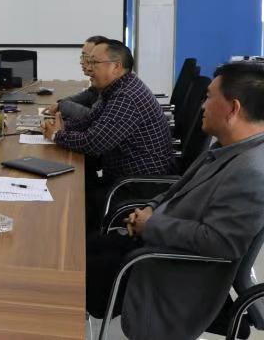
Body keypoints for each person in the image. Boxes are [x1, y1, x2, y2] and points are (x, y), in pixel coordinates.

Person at [85, 61, 264, 340]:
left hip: (172, 270)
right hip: (154, 243)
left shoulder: (252, 171)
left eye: (209, 97)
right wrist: (149, 208)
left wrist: (150, 224)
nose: (203, 106)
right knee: (77, 249)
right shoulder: (226, 147)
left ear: (233, 109)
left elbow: (221, 242)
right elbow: (176, 189)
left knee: (70, 271)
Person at [41, 40, 173, 227]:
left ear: (116, 67)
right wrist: (63, 126)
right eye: (88, 61)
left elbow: (95, 143)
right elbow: (90, 120)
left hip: (138, 186)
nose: (89, 68)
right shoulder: (114, 88)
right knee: (73, 182)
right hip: (121, 177)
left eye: (94, 62)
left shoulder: (126, 96)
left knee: (71, 198)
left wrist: (57, 135)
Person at [45, 35, 109, 120]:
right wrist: (60, 104)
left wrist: (61, 105)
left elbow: (92, 117)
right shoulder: (97, 85)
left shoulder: (112, 87)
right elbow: (88, 95)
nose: (81, 62)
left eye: (86, 57)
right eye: (82, 57)